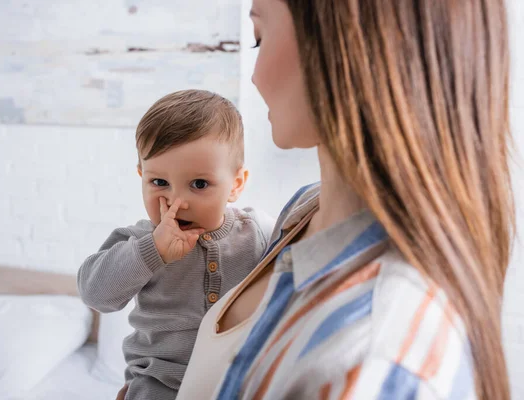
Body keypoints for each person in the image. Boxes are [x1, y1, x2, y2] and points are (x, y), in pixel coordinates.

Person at [177, 0, 514, 399]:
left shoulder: (371, 361)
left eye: (259, 38)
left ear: (345, 46)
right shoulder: (305, 213)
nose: (253, 76)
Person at [77, 89, 275, 400]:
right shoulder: (139, 242)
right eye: (159, 182)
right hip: (158, 387)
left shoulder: (258, 233)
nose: (177, 202)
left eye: (199, 184)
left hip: (236, 386)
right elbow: (95, 294)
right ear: (141, 176)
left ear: (235, 184)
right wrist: (151, 252)